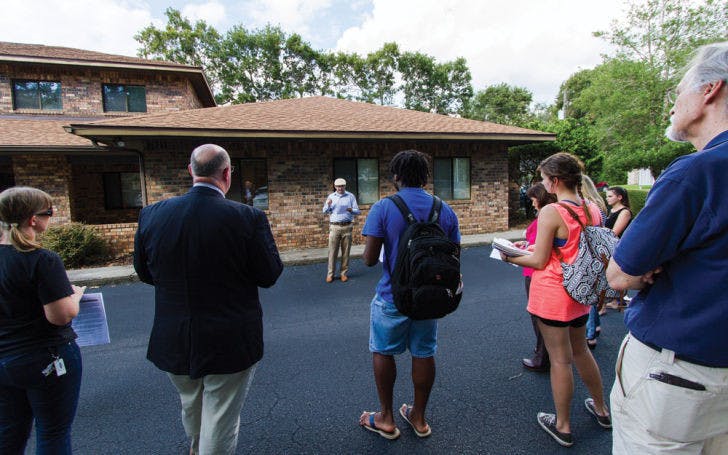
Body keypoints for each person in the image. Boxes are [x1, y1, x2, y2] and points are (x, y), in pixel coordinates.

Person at [606, 41, 728, 454]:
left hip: (678, 376)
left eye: (678, 91)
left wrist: (652, 263)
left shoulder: (697, 173)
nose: (672, 105)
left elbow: (620, 273)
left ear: (710, 90)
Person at [134, 144, 283, 455]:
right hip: (230, 338)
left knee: (192, 405)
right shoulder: (247, 217)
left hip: (174, 337)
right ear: (227, 174)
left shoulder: (151, 215)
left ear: (191, 171)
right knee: (220, 416)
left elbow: (146, 273)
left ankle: (196, 448)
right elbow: (269, 275)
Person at [503, 152, 611, 448]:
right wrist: (532, 246)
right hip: (580, 293)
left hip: (553, 294)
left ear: (556, 180)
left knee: (560, 360)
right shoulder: (592, 207)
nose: (542, 183)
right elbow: (569, 246)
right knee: (581, 352)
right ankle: (602, 409)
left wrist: (510, 256)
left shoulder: (552, 212)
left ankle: (562, 425)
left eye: (544, 178)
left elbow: (538, 260)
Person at [358, 150, 460, 440]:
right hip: (430, 297)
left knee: (382, 350)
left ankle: (386, 418)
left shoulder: (383, 207)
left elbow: (368, 259)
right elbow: (454, 254)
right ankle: (419, 417)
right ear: (426, 177)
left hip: (393, 296)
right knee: (424, 352)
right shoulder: (444, 209)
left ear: (395, 176)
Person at [0, 186, 86, 454]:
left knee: (8, 434)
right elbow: (61, 316)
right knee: (53, 433)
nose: (51, 217)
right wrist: (75, 296)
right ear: (33, 220)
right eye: (49, 212)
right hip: (45, 358)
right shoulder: (42, 260)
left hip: (4, 359)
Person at [519, 183, 556, 372]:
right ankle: (543, 351)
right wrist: (526, 243)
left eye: (533, 199)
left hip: (535, 272)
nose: (532, 203)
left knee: (538, 316)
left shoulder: (547, 216)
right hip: (534, 270)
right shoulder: (546, 215)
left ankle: (542, 357)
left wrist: (510, 255)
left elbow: (542, 250)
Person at [580, 174, 608, 347]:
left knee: (588, 296)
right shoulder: (600, 205)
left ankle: (590, 335)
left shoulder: (587, 207)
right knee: (594, 294)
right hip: (600, 253)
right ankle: (596, 325)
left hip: (589, 255)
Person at [322, 178, 360, 283]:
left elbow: (358, 211)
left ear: (345, 186)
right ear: (335, 186)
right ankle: (330, 274)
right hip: (334, 227)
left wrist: (351, 210)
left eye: (342, 186)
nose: (340, 188)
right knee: (332, 252)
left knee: (346, 252)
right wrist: (328, 204)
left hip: (347, 227)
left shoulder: (350, 196)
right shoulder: (331, 197)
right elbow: (325, 211)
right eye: (338, 186)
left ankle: (343, 274)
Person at [602, 186, 632, 311]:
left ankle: (618, 300)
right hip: (610, 244)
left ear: (620, 197)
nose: (607, 198)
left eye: (610, 196)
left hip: (619, 246)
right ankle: (614, 299)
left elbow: (615, 232)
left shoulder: (624, 212)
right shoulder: (612, 210)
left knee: (616, 272)